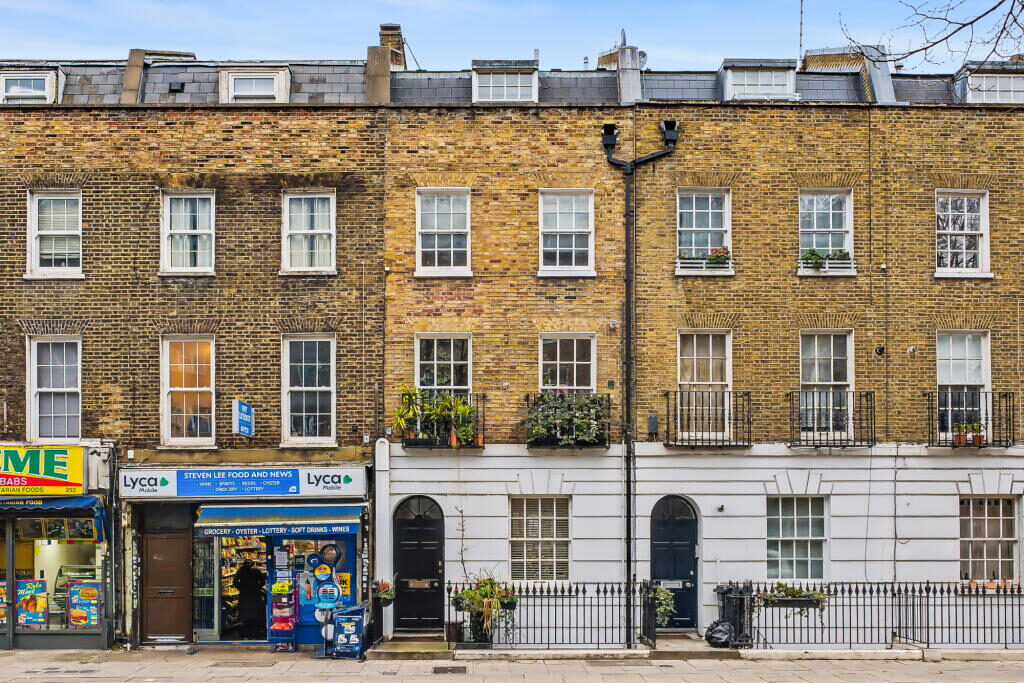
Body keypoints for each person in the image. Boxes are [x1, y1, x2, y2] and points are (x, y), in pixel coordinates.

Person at [232, 559, 266, 639]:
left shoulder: (240, 571)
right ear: (252, 564)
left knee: (245, 616)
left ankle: (246, 634)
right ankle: (254, 634)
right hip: (255, 595)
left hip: (244, 596)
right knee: (255, 616)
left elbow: (235, 582)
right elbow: (262, 582)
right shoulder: (256, 571)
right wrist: (257, 587)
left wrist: (241, 588)